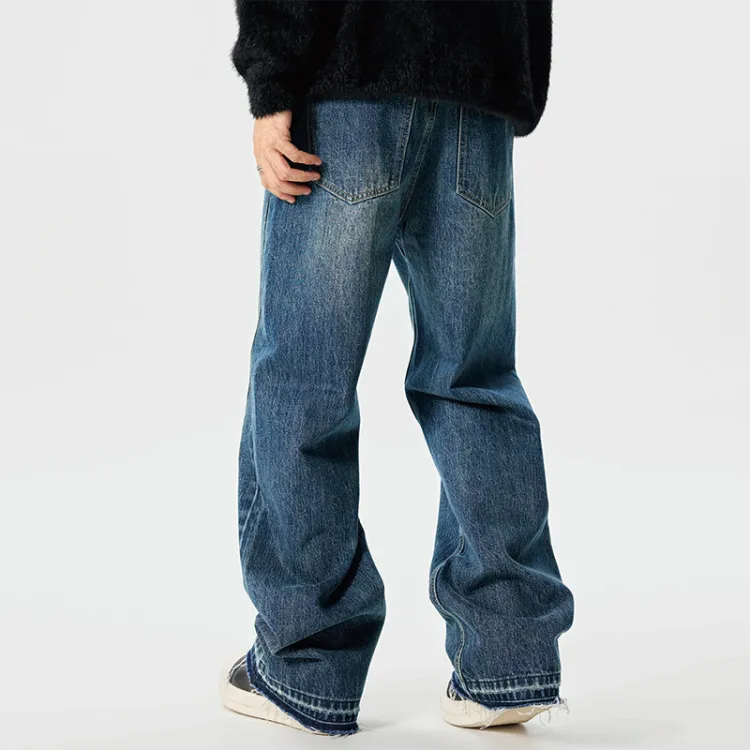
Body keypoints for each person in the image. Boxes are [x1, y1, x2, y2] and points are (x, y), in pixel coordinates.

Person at [221, 0, 574, 736]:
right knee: (474, 379)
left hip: (351, 89)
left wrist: (273, 82)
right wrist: (514, 78)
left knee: (305, 381)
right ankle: (507, 660)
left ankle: (307, 666)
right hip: (475, 97)